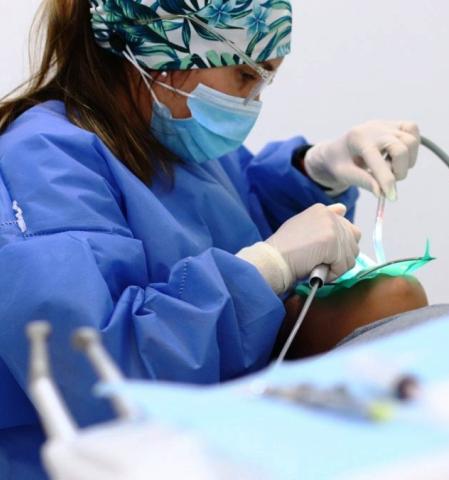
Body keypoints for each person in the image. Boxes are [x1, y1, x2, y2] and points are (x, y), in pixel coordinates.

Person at [0, 1, 425, 478]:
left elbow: (237, 213)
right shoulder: (43, 163)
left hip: (206, 429)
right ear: (162, 51)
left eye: (266, 79)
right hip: (103, 460)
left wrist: (313, 172)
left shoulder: (168, 135)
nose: (252, 101)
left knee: (393, 300)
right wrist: (267, 267)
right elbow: (91, 376)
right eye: (245, 75)